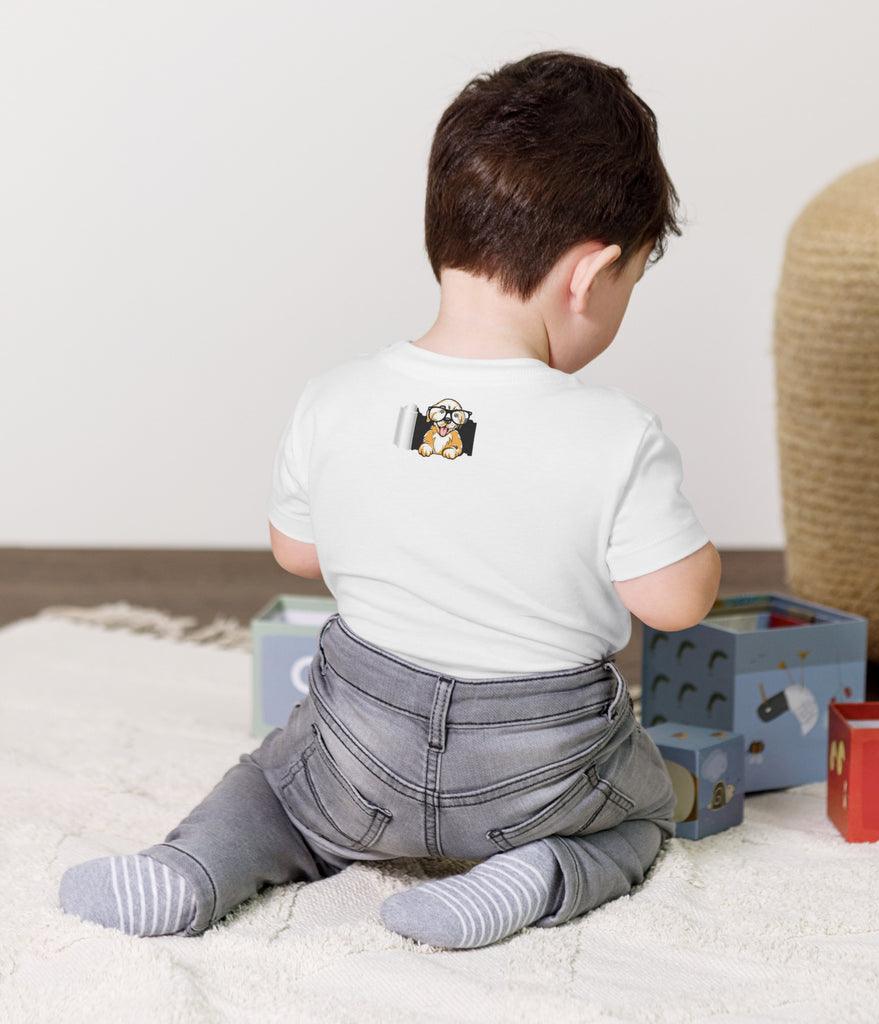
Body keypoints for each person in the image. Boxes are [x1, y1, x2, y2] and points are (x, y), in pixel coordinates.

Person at [59, 51, 721, 949]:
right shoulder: (615, 433)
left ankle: (193, 868)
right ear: (590, 276)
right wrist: (696, 558)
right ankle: (538, 870)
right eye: (631, 284)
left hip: (358, 759)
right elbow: (676, 603)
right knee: (643, 812)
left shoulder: (335, 398)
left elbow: (296, 552)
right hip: (537, 774)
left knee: (273, 786)